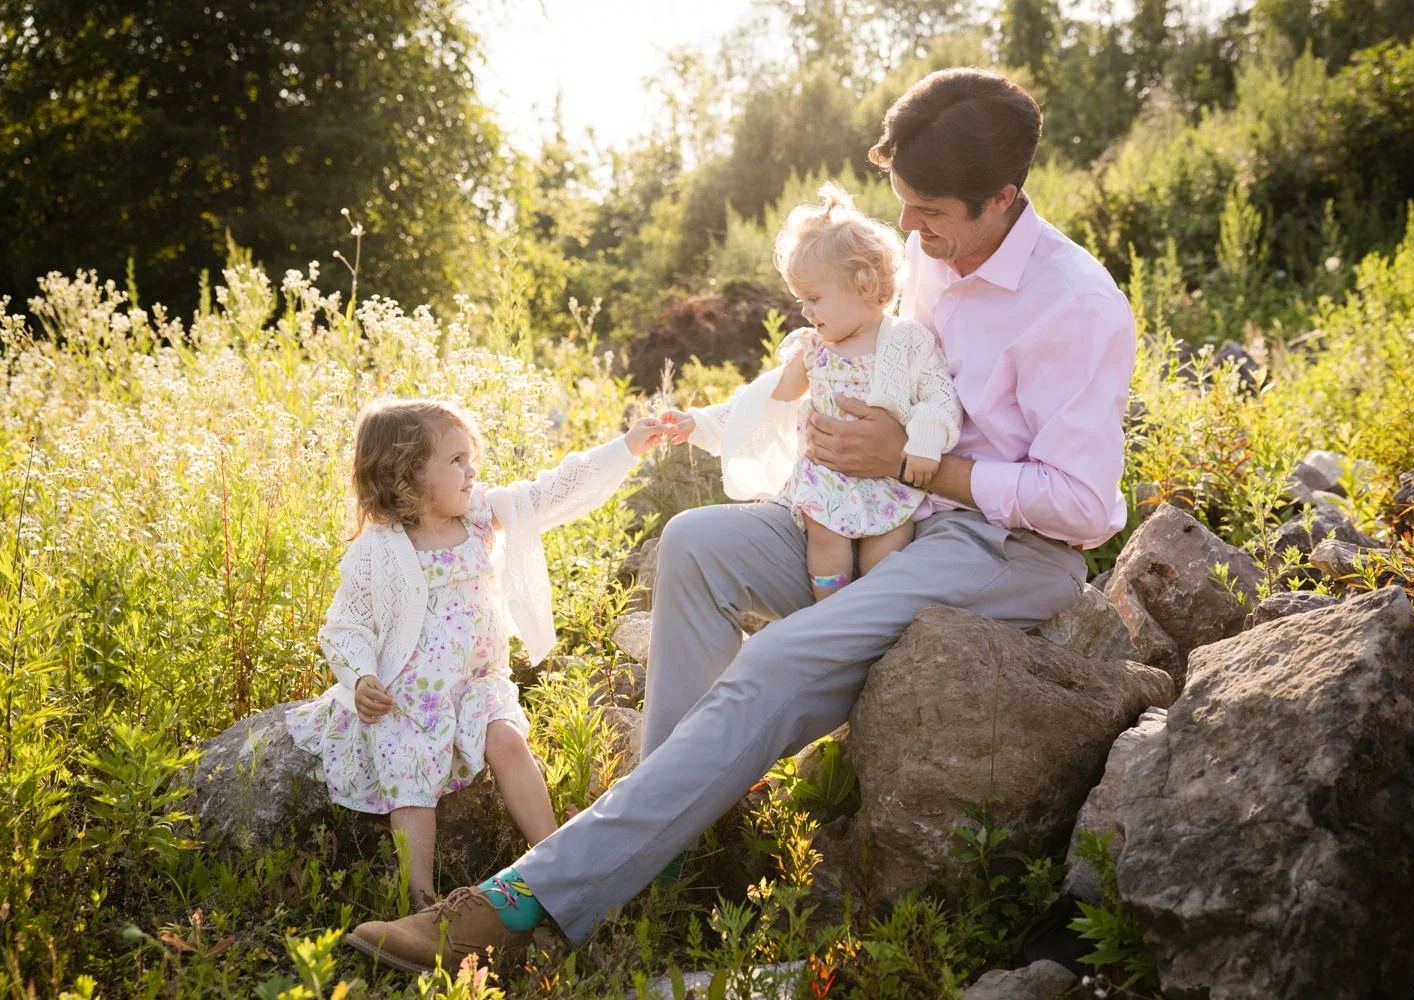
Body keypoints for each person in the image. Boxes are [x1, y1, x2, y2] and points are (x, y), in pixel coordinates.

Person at [347, 67, 1136, 974]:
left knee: (777, 659)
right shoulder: (928, 249)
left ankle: (519, 904)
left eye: (931, 214)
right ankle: (665, 834)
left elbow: (1083, 506)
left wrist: (917, 462)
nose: (911, 234)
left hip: (1004, 546)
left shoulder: (1076, 304)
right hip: (886, 508)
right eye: (903, 208)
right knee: (695, 542)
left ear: (1004, 198)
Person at [289, 398, 668, 913]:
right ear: (408, 474)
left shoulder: (480, 517)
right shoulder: (376, 550)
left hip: (476, 684)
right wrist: (360, 677)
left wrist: (625, 448)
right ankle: (422, 902)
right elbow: (346, 627)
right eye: (457, 460)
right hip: (410, 696)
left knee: (507, 739)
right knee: (410, 773)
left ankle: (558, 860)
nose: (472, 471)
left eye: (471, 459)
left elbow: (552, 491)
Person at [663, 183, 961, 600]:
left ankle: (874, 617)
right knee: (825, 545)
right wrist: (700, 422)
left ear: (864, 285)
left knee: (887, 553)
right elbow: (763, 401)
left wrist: (927, 441)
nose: (805, 311)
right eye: (801, 299)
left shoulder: (906, 341)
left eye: (815, 298)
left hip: (888, 481)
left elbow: (938, 395)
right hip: (826, 481)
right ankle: (830, 611)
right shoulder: (813, 349)